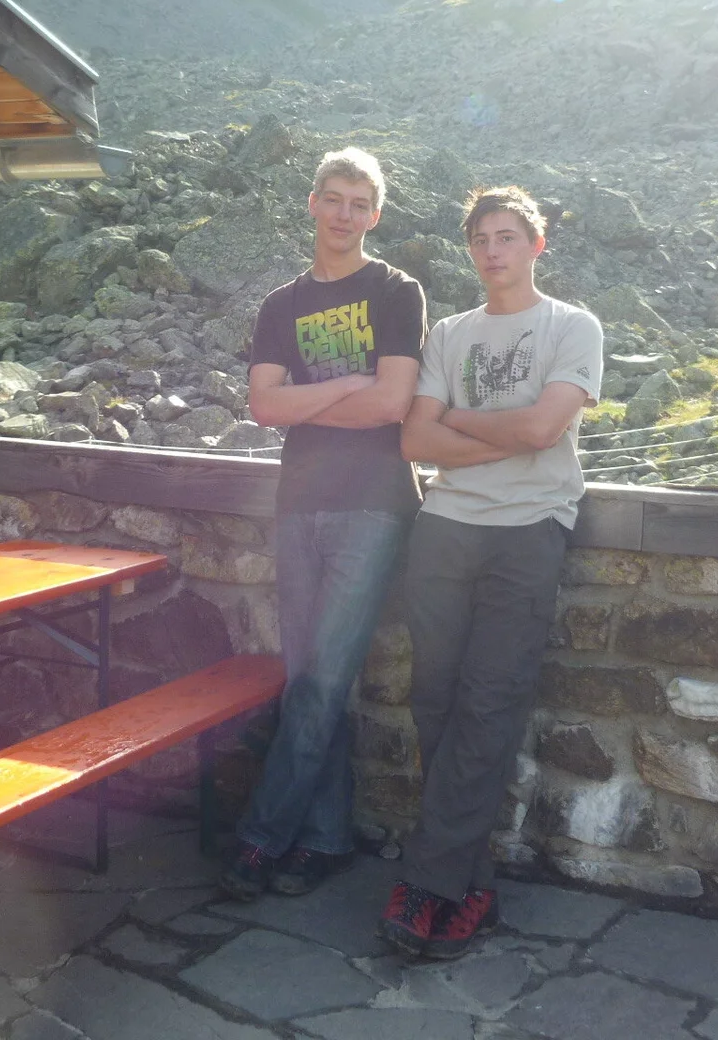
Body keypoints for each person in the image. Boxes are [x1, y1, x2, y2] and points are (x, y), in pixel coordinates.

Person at [379, 185, 603, 960]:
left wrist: (460, 423)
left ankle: (428, 883)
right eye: (481, 239)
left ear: (536, 245)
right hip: (444, 528)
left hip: (529, 532)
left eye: (508, 236)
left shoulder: (572, 326)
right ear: (470, 249)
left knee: (491, 700)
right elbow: (413, 442)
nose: (494, 251)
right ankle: (465, 884)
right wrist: (510, 433)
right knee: (436, 699)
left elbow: (548, 426)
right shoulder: (450, 332)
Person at [220, 147, 428, 900]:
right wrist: (348, 381)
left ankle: (261, 835)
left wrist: (313, 397)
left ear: (375, 216)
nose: (344, 213)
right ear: (312, 203)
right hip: (298, 500)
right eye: (332, 198)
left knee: (320, 677)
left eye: (359, 203)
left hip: (373, 501)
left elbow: (392, 403)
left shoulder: (397, 290)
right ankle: (328, 838)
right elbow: (263, 407)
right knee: (313, 678)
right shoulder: (282, 305)